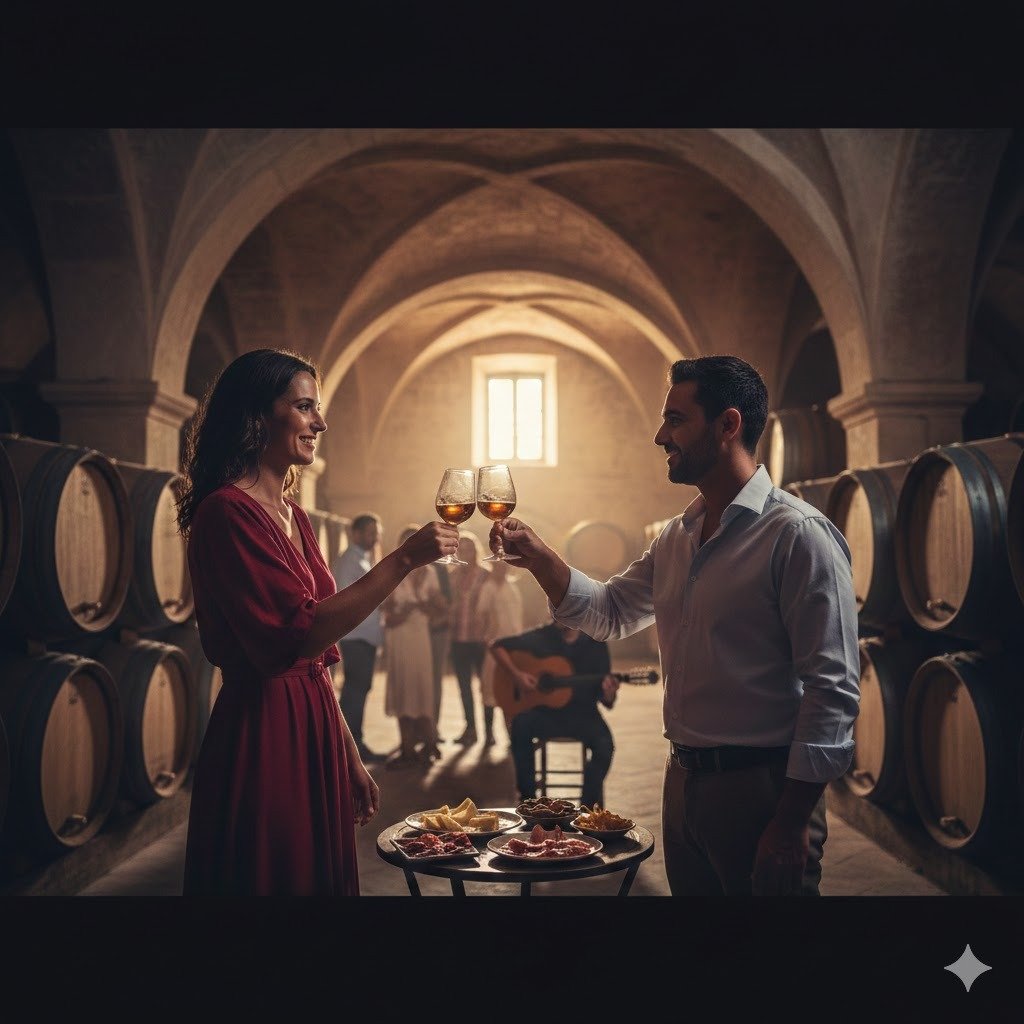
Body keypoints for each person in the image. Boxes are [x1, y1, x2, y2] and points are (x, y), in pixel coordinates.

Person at [488, 354, 860, 897]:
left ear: (728, 424)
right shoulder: (678, 535)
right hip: (683, 780)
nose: (660, 435)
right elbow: (611, 612)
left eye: (676, 419)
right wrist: (542, 557)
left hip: (760, 787)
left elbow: (833, 689)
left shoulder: (797, 536)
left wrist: (791, 820)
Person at [175, 347, 459, 896]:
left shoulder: (294, 515)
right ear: (258, 417)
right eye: (304, 407)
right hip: (263, 728)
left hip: (311, 720)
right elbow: (301, 632)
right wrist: (402, 559)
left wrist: (345, 751)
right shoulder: (227, 512)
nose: (319, 422)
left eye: (317, 409)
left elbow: (319, 658)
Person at [489, 619, 619, 809]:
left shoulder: (596, 643)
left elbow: (607, 701)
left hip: (584, 715)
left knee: (605, 746)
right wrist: (517, 676)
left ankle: (585, 808)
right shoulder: (542, 636)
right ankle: (528, 802)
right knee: (520, 725)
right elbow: (496, 646)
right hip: (546, 715)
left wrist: (610, 693)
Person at [381, 523, 443, 768]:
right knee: (403, 687)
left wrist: (427, 605)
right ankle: (407, 747)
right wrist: (405, 611)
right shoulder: (393, 570)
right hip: (400, 635)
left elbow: (440, 607)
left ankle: (428, 742)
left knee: (421, 686)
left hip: (421, 637)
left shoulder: (430, 572)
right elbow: (387, 615)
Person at [331, 513, 388, 763]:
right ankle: (350, 746)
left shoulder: (362, 559)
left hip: (366, 636)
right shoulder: (348, 561)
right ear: (354, 533)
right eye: (368, 532)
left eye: (376, 532)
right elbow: (347, 599)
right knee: (355, 690)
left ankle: (350, 744)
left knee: (359, 689)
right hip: (356, 637)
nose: (374, 537)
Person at [447, 532, 491, 746]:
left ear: (476, 552)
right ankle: (471, 729)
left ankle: (490, 732)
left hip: (480, 640)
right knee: (464, 687)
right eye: (461, 550)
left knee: (486, 687)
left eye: (469, 550)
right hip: (458, 639)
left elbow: (491, 608)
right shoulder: (452, 576)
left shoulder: (486, 575)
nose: (465, 553)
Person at [477, 558, 524, 746]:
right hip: (495, 647)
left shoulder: (512, 586)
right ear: (493, 567)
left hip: (514, 647)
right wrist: (488, 634)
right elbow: (480, 614)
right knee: (490, 689)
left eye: (504, 567)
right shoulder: (488, 588)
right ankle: (488, 734)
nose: (501, 570)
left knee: (511, 691)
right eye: (498, 566)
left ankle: (512, 734)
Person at [426, 560, 453, 740]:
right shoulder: (409, 566)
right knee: (417, 681)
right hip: (414, 631)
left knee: (435, 680)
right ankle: (416, 729)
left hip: (437, 631)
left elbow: (447, 601)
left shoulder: (440, 568)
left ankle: (433, 728)